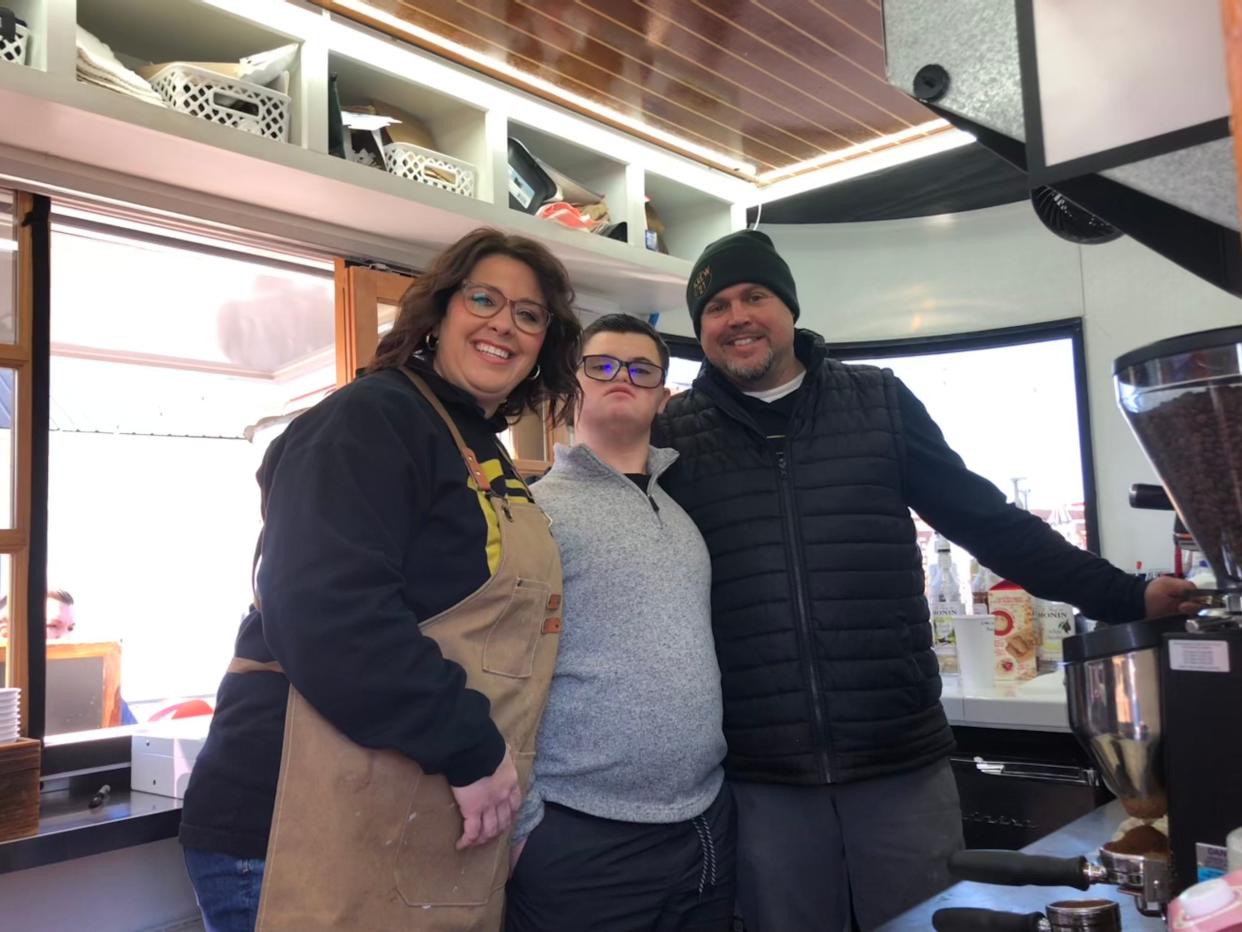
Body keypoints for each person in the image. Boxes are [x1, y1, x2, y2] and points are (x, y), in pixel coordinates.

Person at [653, 230, 1199, 932]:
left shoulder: (877, 401)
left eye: (754, 295)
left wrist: (1125, 595)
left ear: (788, 307)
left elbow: (987, 521)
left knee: (924, 923)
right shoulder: (674, 433)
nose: (737, 317)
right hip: (762, 771)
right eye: (717, 307)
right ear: (702, 331)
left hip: (897, 759)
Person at [178, 228, 583, 932]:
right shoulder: (371, 419)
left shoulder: (476, 446)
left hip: (402, 815)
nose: (504, 325)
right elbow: (326, 613)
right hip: (289, 824)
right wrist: (472, 748)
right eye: (483, 299)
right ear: (438, 313)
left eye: (529, 314)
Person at [504, 315, 734, 932]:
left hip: (705, 824)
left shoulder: (683, 515)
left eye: (641, 369)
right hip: (580, 837)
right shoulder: (531, 514)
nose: (621, 378)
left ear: (663, 395)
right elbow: (497, 677)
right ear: (568, 388)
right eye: (600, 365)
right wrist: (525, 830)